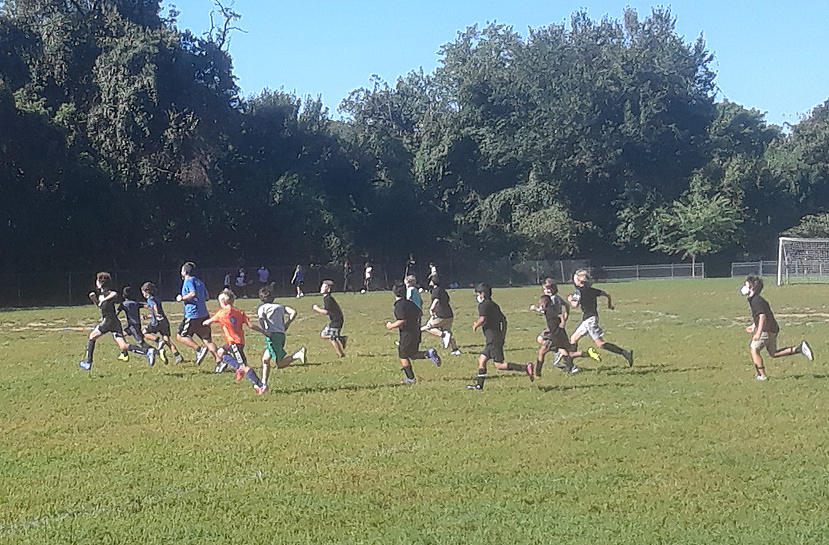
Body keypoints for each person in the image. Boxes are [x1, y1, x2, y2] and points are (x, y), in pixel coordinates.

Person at [741, 274, 813, 380]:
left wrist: (758, 333)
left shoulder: (756, 301)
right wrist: (753, 326)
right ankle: (799, 349)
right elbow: (760, 315)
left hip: (767, 330)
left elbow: (762, 316)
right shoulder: (755, 300)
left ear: (752, 287)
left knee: (754, 350)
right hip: (772, 329)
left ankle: (762, 375)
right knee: (773, 353)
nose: (744, 286)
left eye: (746, 285)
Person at [79, 272, 156, 370]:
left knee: (92, 336)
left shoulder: (107, 293)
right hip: (115, 322)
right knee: (123, 346)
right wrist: (94, 299)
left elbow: (114, 294)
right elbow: (100, 306)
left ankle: (88, 362)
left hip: (108, 321)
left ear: (100, 282)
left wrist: (103, 300)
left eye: (97, 280)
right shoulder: (102, 295)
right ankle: (148, 351)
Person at [467, 283, 533, 390]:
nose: (477, 297)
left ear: (482, 294)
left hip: (492, 339)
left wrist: (475, 325)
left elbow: (482, 318)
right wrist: (503, 334)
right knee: (482, 360)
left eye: (477, 294)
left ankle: (525, 367)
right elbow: (504, 320)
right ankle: (479, 385)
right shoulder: (494, 305)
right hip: (495, 337)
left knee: (499, 365)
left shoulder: (483, 305)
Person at [529, 279, 600, 376]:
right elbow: (566, 305)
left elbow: (547, 310)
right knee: (566, 351)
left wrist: (535, 308)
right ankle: (582, 356)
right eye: (545, 289)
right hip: (557, 330)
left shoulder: (552, 300)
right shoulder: (557, 298)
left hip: (554, 332)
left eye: (549, 288)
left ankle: (538, 372)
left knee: (543, 350)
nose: (547, 291)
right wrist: (565, 317)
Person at [203, 289, 268, 395]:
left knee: (244, 366)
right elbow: (250, 325)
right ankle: (239, 369)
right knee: (220, 352)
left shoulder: (221, 313)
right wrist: (263, 331)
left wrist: (204, 323)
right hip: (238, 341)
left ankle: (260, 385)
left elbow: (208, 322)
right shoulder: (239, 312)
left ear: (223, 302)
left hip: (234, 343)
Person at [568, 269, 634, 367]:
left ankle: (625, 352)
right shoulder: (592, 290)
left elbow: (575, 305)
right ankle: (570, 365)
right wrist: (609, 305)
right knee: (573, 339)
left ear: (578, 280)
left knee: (600, 344)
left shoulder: (578, 291)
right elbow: (607, 294)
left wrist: (569, 299)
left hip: (590, 320)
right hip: (588, 318)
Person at [385, 281, 441, 384]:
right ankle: (428, 353)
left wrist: (390, 326)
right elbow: (419, 314)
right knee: (412, 354)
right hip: (416, 332)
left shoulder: (399, 305)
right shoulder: (410, 303)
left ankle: (410, 378)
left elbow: (401, 321)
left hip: (407, 334)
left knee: (403, 355)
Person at [256, 286, 306, 387]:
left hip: (273, 336)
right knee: (265, 359)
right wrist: (287, 323)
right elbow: (293, 312)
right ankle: (263, 383)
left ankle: (297, 355)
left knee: (280, 364)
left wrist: (264, 330)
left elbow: (261, 319)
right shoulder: (280, 306)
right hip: (281, 335)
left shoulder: (262, 308)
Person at [176, 261, 220, 367]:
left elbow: (192, 293)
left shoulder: (188, 280)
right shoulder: (199, 282)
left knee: (181, 336)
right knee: (207, 340)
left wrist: (181, 298)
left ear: (185, 271)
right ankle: (220, 361)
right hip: (203, 314)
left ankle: (199, 349)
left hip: (192, 315)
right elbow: (207, 297)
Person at [140, 281, 183, 364]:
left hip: (156, 322)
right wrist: (147, 316)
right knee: (167, 340)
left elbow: (154, 307)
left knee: (143, 333)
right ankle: (177, 356)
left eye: (143, 292)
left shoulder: (150, 299)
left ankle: (158, 340)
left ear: (146, 291)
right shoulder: (157, 298)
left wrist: (155, 313)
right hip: (164, 321)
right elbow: (156, 312)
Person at [421, 275, 461, 355]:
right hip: (449, 315)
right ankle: (455, 349)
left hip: (440, 315)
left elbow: (436, 299)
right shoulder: (443, 290)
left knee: (429, 327)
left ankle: (442, 335)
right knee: (447, 333)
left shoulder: (436, 290)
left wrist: (431, 308)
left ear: (433, 282)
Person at [312, 280, 348, 357]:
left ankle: (341, 354)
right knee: (323, 334)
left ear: (328, 289)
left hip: (336, 321)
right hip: (334, 320)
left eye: (324, 287)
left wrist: (316, 308)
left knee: (332, 338)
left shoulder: (328, 299)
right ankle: (341, 339)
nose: (321, 288)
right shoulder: (326, 298)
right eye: (322, 286)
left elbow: (326, 312)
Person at [116, 286, 151, 361]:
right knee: (120, 335)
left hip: (132, 326)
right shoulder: (136, 303)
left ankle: (150, 351)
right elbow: (147, 306)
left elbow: (116, 313)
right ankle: (124, 353)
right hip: (136, 325)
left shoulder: (123, 304)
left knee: (140, 341)